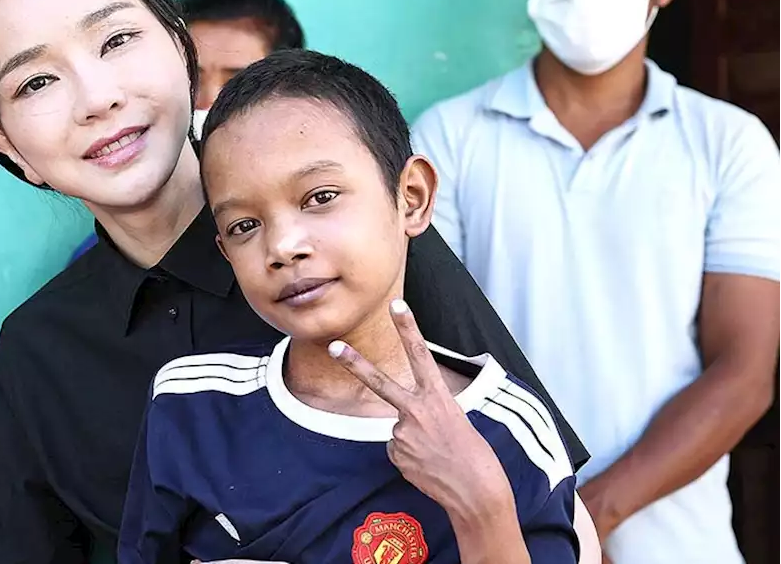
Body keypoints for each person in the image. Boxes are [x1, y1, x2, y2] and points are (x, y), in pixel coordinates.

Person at [0, 0, 590, 563]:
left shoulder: (358, 250)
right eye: (38, 81)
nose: (97, 96)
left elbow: (560, 512)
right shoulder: (39, 352)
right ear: (6, 144)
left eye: (115, 40)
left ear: (180, 44)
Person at [411, 0, 781, 562]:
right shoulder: (448, 140)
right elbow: (434, 355)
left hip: (680, 542)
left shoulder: (729, 143)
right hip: (502, 539)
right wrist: (540, 520)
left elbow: (745, 370)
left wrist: (591, 512)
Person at [119, 49, 579, 564]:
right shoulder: (193, 405)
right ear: (225, 249)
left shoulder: (505, 428)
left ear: (411, 196)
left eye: (319, 197)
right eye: (245, 226)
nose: (283, 246)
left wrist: (483, 506)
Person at [68, 0, 304, 263]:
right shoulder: (102, 262)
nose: (207, 102)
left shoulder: (309, 236)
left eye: (238, 82)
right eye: (193, 76)